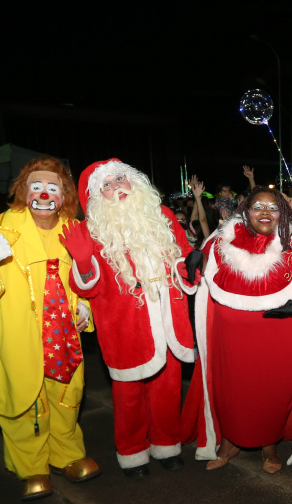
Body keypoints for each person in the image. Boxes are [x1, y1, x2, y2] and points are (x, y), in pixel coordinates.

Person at [0, 156, 100, 500]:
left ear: (64, 194)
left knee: (66, 396)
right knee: (24, 401)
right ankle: (32, 466)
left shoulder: (74, 228)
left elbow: (88, 277)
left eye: (54, 188)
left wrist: (85, 305)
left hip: (63, 333)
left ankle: (66, 455)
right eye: (37, 186)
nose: (45, 195)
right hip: (20, 334)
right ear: (23, 191)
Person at [182, 187, 292, 473]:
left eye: (272, 207)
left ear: (282, 212)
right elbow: (205, 262)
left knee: (272, 394)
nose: (265, 212)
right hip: (231, 341)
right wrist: (195, 257)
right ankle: (230, 443)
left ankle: (269, 447)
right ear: (246, 210)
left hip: (278, 339)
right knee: (231, 392)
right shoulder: (221, 240)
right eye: (258, 207)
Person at [62, 159, 197, 479]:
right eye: (105, 185)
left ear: (134, 181)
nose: (116, 187)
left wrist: (189, 268)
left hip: (168, 320)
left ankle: (167, 444)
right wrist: (82, 264)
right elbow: (87, 287)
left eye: (120, 179)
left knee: (168, 390)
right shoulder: (91, 229)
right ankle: (132, 452)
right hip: (125, 327)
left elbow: (181, 257)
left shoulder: (162, 217)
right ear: (96, 196)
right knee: (129, 397)